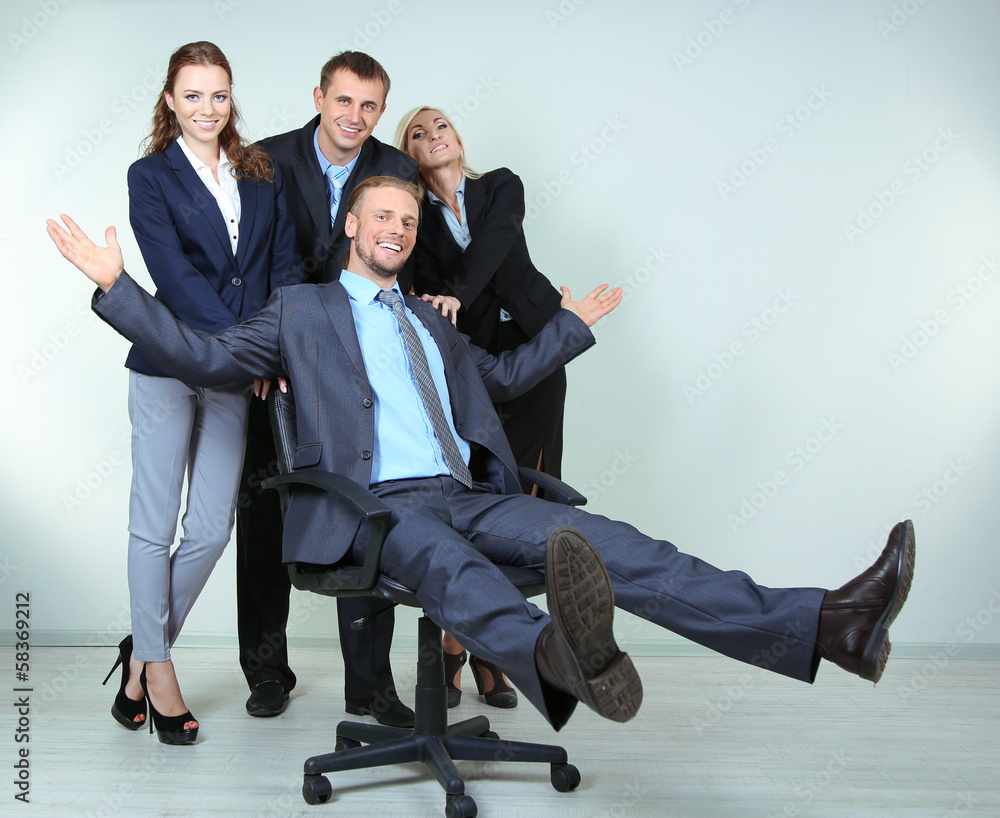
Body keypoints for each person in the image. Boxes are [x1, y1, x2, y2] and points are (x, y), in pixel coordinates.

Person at [48, 175, 915, 734]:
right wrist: (117, 288)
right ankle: (555, 661)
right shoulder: (299, 311)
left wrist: (569, 326)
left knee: (623, 547)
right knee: (441, 558)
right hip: (370, 510)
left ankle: (829, 626)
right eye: (382, 216)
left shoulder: (431, 322)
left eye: (408, 220)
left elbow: (501, 379)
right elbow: (204, 358)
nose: (396, 228)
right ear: (352, 224)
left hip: (467, 493)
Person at [99, 41, 303, 745]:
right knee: (153, 528)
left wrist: (265, 347)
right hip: (167, 362)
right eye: (192, 95)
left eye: (218, 94)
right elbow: (174, 277)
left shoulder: (261, 172)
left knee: (213, 528)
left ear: (231, 98)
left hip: (237, 372)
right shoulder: (150, 176)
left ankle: (139, 653)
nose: (207, 108)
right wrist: (242, 348)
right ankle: (158, 671)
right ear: (170, 101)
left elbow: (281, 268)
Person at [234, 52, 426, 725]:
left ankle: (370, 686)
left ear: (382, 111)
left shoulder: (396, 167)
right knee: (265, 514)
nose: (355, 116)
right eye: (344, 101)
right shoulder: (263, 160)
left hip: (358, 367)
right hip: (278, 364)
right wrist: (269, 347)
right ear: (319, 97)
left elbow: (398, 258)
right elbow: (247, 259)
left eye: (369, 106)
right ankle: (266, 672)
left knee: (369, 509)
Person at [394, 107, 572, 709]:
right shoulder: (415, 216)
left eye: (440, 125)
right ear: (410, 153)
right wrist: (437, 299)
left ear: (458, 136)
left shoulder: (500, 185)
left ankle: (494, 653)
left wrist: (455, 293)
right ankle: (456, 643)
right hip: (476, 366)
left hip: (537, 349)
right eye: (418, 133)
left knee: (527, 499)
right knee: (477, 498)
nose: (433, 136)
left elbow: (496, 244)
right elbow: (418, 285)